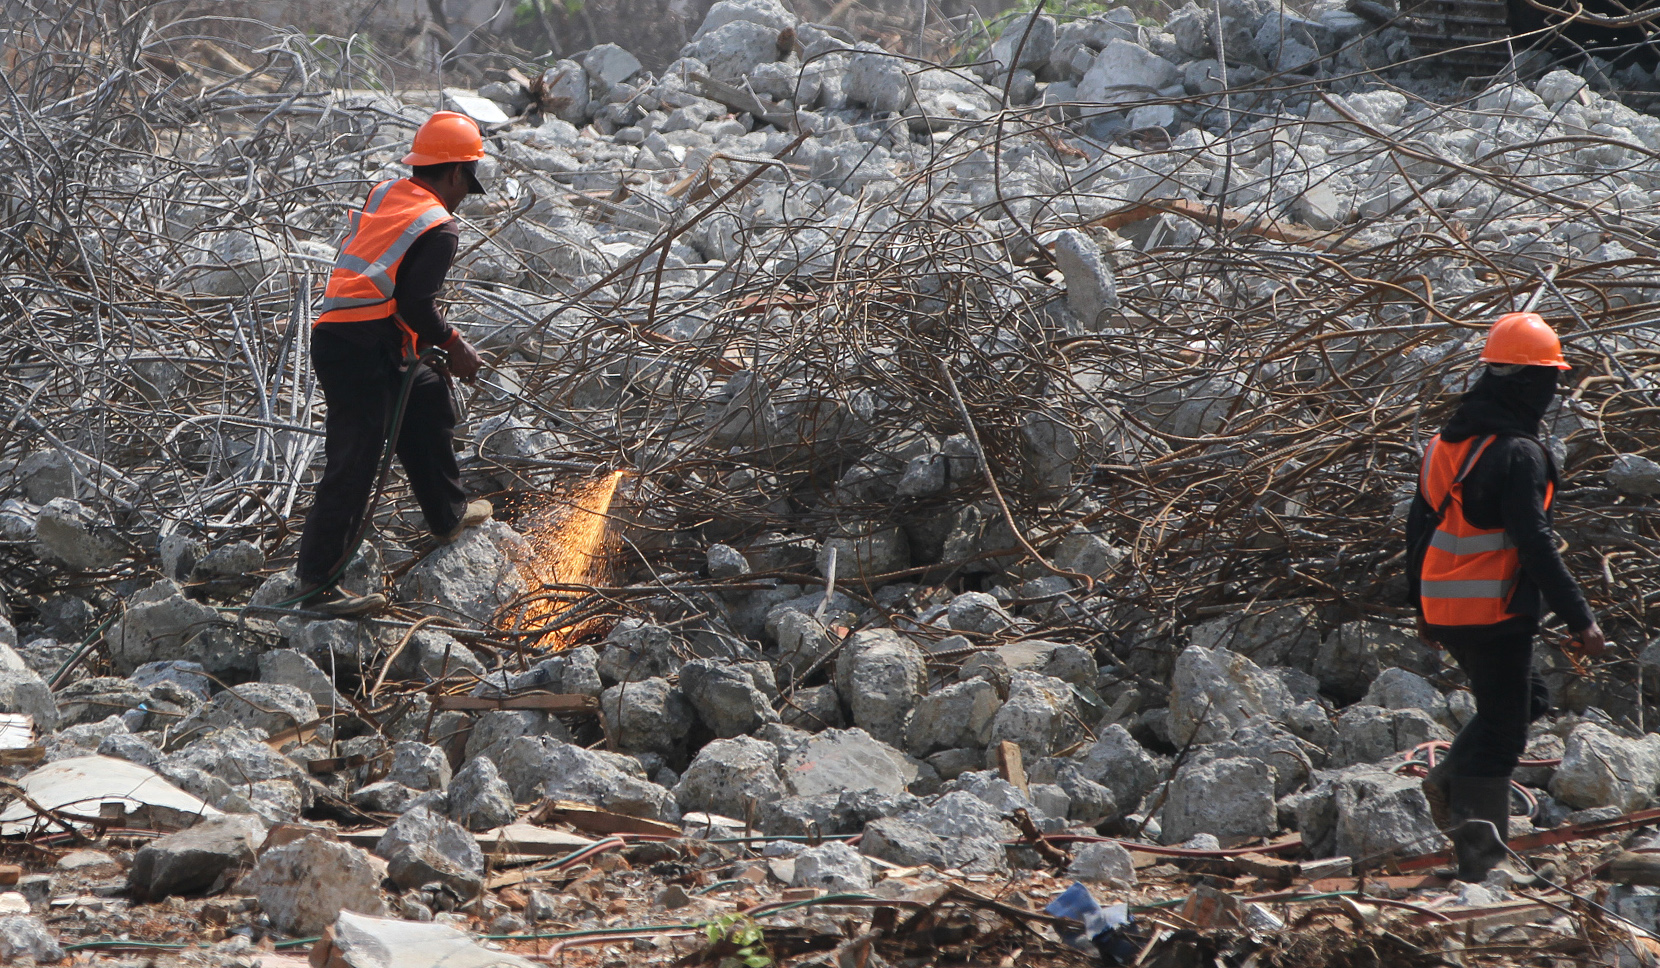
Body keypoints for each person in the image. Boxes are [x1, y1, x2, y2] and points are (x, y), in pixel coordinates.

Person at [1408, 311, 1607, 883]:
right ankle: (1481, 867)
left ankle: (1450, 778)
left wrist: (1421, 608)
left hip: (1447, 606)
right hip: (1492, 610)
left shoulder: (1447, 443)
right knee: (1503, 733)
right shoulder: (1518, 452)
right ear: (1526, 383)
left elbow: (1417, 528)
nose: (1553, 389)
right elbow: (1534, 544)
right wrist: (1580, 619)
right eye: (1549, 378)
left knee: (1526, 698)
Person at [295, 112, 494, 616]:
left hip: (350, 334)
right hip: (361, 348)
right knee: (353, 462)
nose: (463, 195)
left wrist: (430, 350)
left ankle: (447, 513)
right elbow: (414, 305)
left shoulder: (388, 193)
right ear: (454, 174)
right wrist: (456, 345)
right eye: (465, 184)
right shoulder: (439, 226)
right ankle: (317, 583)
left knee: (427, 397)